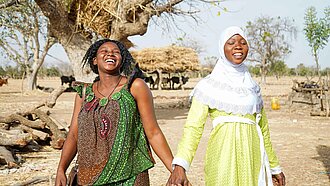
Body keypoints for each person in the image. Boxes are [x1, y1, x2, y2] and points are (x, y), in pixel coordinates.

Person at [167, 26, 285, 186]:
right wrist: (180, 165)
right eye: (231, 42)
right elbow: (193, 129)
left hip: (252, 157)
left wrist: (274, 167)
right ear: (222, 48)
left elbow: (263, 131)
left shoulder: (253, 88)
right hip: (222, 157)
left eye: (243, 42)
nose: (238, 46)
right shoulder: (208, 86)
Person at [55, 39, 174, 185]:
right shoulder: (84, 94)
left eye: (116, 52)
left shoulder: (135, 87)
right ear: (94, 60)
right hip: (89, 176)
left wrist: (175, 170)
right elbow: (73, 135)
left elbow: (153, 132)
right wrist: (61, 168)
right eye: (104, 51)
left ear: (122, 60)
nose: (110, 54)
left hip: (129, 176)